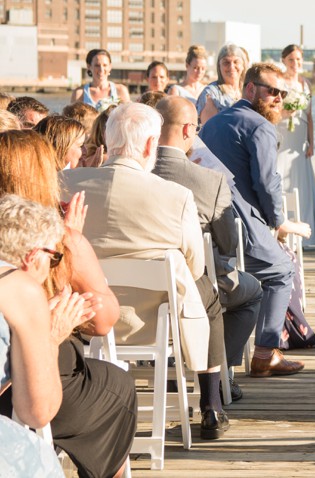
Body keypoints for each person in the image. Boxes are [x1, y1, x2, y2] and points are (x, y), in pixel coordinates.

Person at [61, 103, 232, 439]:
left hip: (83, 317)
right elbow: (195, 265)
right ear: (152, 145)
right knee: (207, 293)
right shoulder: (177, 197)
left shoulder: (64, 183)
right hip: (156, 319)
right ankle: (211, 404)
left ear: (107, 142)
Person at [0, 134, 135, 478]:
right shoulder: (53, 244)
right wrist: (69, 251)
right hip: (35, 384)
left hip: (16, 386)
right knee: (117, 388)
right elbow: (104, 321)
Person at [199, 63, 308, 378]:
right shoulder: (260, 127)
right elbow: (267, 183)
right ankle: (265, 354)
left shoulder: (212, 124)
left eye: (282, 93)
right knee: (282, 270)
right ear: (250, 89)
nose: (278, 99)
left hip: (210, 230)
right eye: (272, 91)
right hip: (242, 227)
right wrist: (278, 223)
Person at [153, 96, 263, 400]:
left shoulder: (137, 174)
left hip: (138, 292)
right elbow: (229, 245)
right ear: (189, 129)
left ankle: (174, 365)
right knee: (252, 291)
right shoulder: (209, 180)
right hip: (197, 283)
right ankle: (220, 373)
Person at [0, 195, 72, 478]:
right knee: (38, 458)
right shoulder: (21, 288)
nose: (52, 267)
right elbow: (37, 411)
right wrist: (51, 340)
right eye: (54, 258)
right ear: (34, 256)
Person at [277, 44, 315, 248]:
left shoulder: (305, 83)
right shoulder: (279, 82)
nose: (295, 64)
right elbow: (272, 111)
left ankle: (305, 227)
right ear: (283, 61)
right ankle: (284, 226)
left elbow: (309, 115)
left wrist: (311, 143)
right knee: (281, 176)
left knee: (302, 181)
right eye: (291, 60)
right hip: (283, 134)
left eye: (298, 60)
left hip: (299, 139)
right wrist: (284, 114)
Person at [198, 43, 249, 124]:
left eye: (236, 62)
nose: (231, 67)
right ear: (219, 66)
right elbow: (210, 130)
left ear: (243, 65)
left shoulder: (249, 91)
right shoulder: (211, 94)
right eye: (226, 62)